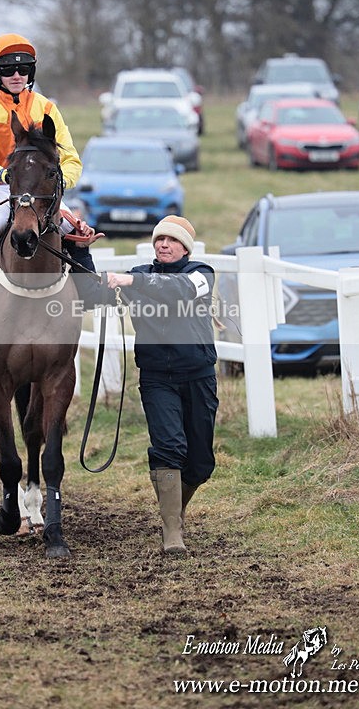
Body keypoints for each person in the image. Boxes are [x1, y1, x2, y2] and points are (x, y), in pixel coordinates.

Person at [0, 33, 99, 312]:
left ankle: (90, 289)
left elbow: (71, 159)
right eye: (7, 70)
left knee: (72, 227)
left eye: (23, 69)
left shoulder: (47, 107)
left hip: (42, 188)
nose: (16, 75)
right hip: (3, 186)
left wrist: (60, 180)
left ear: (31, 72)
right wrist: (5, 176)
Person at [92, 215, 219, 555]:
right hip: (156, 377)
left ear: (185, 248)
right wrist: (85, 257)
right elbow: (95, 291)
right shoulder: (140, 275)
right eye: (159, 240)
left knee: (201, 463)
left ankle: (175, 510)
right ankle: (171, 531)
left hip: (199, 375)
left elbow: (178, 290)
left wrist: (131, 282)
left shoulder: (201, 274)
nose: (163, 244)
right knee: (169, 448)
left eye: (171, 240)